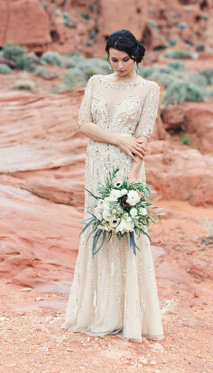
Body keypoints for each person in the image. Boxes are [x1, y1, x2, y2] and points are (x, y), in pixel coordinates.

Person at [62, 29, 164, 342]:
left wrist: (132, 186)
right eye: (114, 59)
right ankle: (98, 314)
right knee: (97, 235)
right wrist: (119, 137)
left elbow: (143, 139)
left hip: (125, 172)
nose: (119, 65)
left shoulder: (149, 89)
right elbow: (84, 124)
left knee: (125, 237)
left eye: (126, 60)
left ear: (137, 57)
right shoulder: (96, 82)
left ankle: (127, 318)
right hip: (96, 168)